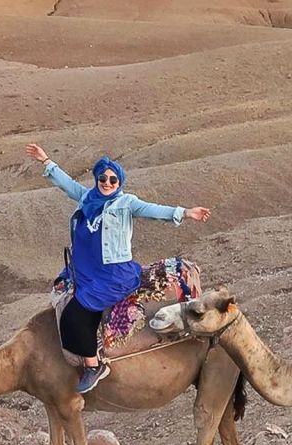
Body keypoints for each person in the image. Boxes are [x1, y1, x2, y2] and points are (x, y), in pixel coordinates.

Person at [26, 143, 211, 393]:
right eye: (102, 177)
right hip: (86, 272)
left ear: (119, 182)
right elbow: (65, 183)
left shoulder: (125, 203)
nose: (107, 182)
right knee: (74, 307)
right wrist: (45, 160)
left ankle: (94, 366)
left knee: (74, 316)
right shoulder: (86, 198)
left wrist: (186, 212)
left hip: (112, 275)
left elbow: (154, 210)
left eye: (113, 179)